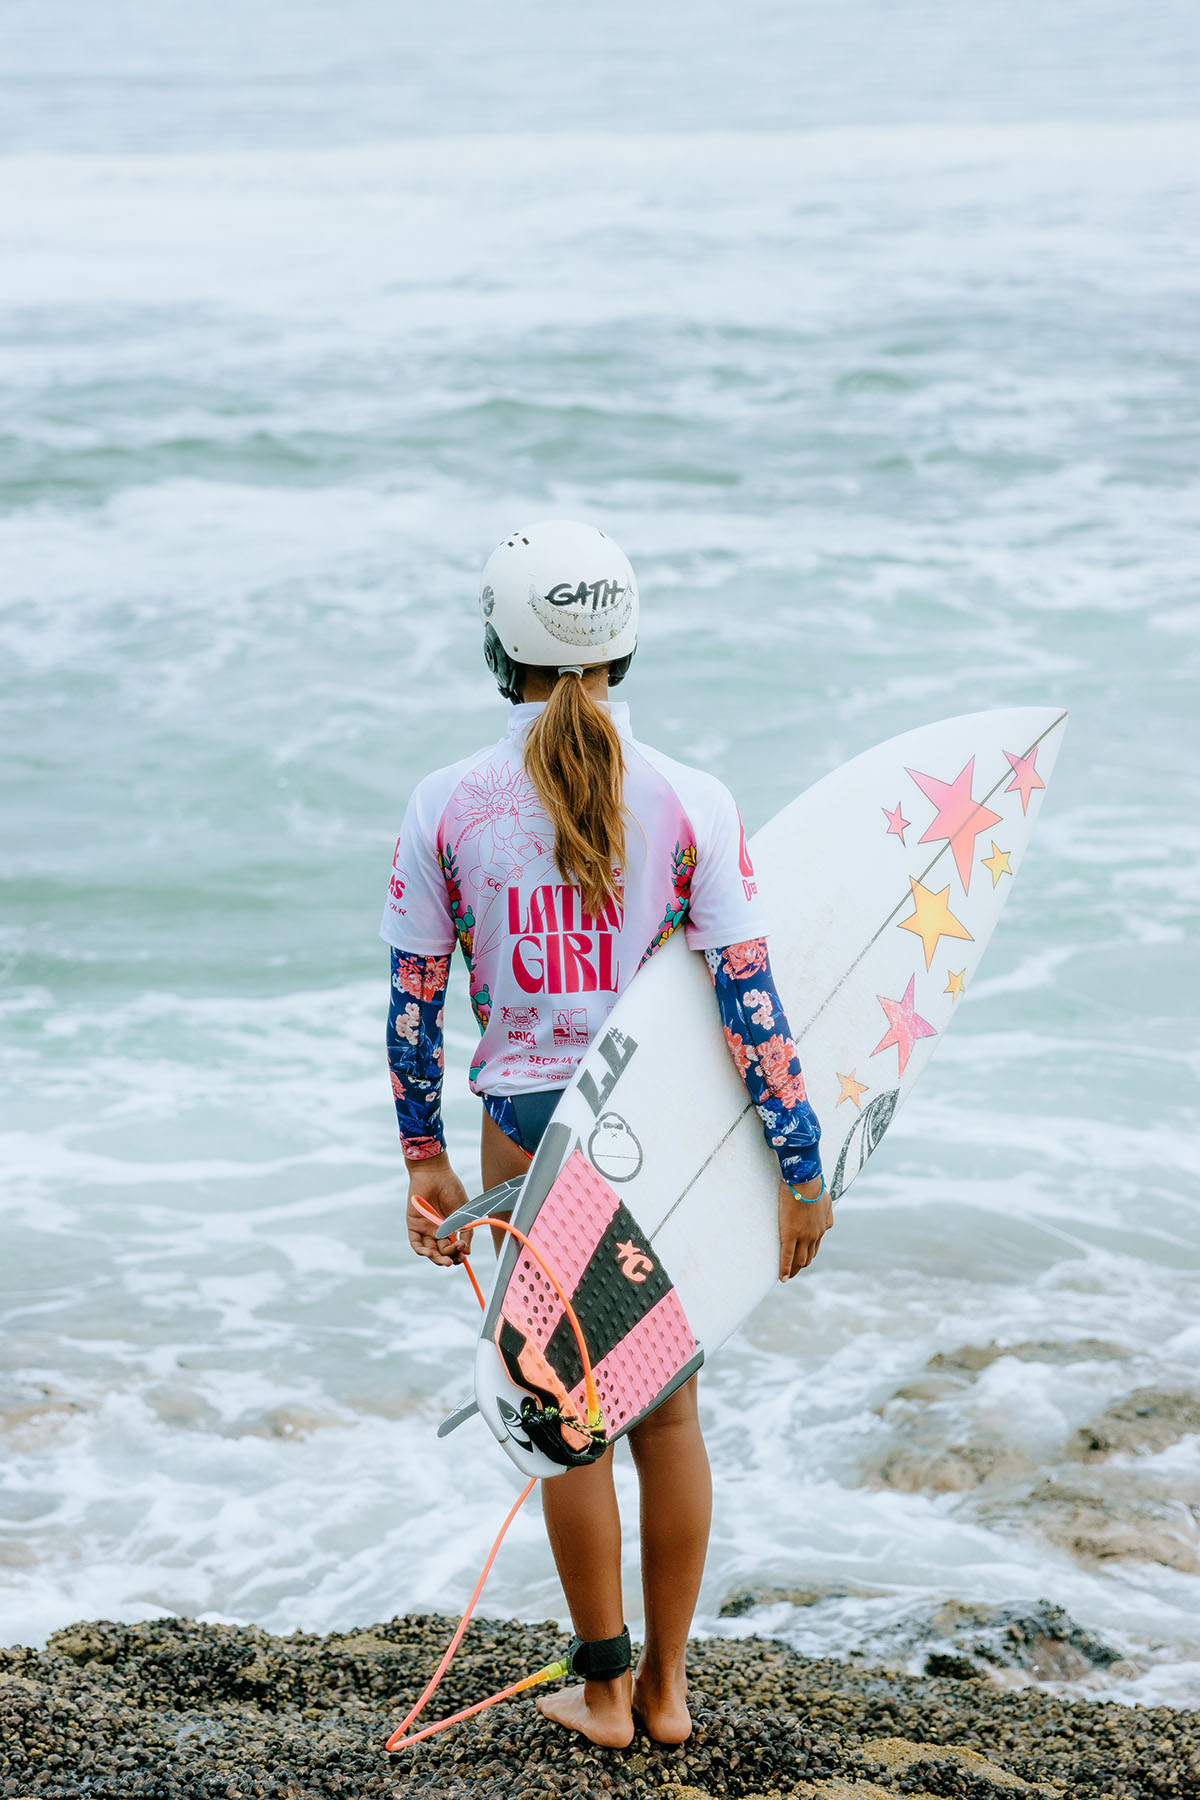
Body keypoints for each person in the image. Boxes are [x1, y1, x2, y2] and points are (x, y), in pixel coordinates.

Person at [381, 520, 832, 1748]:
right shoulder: (694, 800)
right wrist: (802, 1169)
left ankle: (604, 1692)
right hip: (662, 1129)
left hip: (526, 1133)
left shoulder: (446, 805)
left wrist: (423, 1155)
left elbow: (414, 1004)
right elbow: (750, 1004)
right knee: (669, 1419)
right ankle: (669, 1694)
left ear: (500, 649)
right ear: (625, 646)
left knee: (567, 1422)